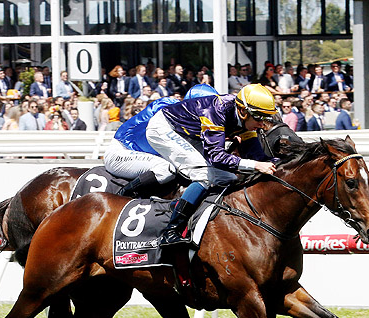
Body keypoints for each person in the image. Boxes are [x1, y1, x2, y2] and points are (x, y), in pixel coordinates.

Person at [116, 84, 280, 246]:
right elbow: (216, 156)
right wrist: (256, 165)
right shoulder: (216, 110)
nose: (262, 124)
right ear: (243, 112)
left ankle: (181, 205)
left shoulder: (245, 118)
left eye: (266, 118)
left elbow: (255, 153)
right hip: (163, 129)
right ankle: (171, 231)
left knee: (228, 177)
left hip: (188, 132)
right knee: (203, 175)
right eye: (258, 117)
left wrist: (277, 163)